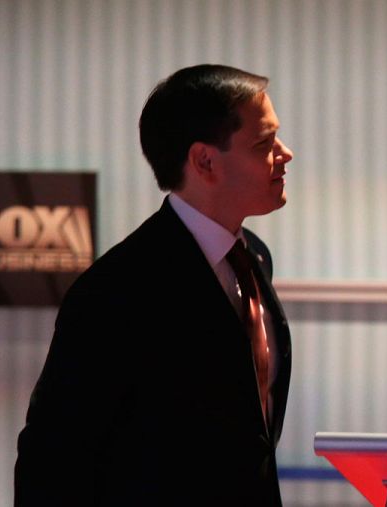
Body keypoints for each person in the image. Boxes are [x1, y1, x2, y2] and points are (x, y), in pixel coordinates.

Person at [15, 64, 294, 506]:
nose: (285, 153)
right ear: (204, 160)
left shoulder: (254, 258)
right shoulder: (116, 290)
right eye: (264, 142)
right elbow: (53, 457)